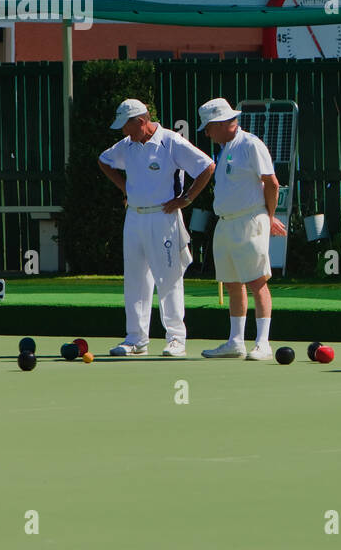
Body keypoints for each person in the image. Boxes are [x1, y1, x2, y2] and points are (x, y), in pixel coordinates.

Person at [98, 98, 214, 357]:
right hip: (135, 218)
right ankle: (135, 338)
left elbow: (207, 166)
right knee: (135, 278)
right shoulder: (127, 145)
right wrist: (125, 188)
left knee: (169, 277)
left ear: (141, 121)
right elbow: (103, 160)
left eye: (126, 126)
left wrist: (186, 199)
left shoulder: (171, 141)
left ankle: (176, 338)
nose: (122, 132)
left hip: (164, 218)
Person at [198, 98, 289, 360]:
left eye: (209, 127)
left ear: (223, 123)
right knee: (232, 283)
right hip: (225, 223)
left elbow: (271, 183)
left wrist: (268, 217)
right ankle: (236, 342)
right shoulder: (226, 147)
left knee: (256, 281)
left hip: (250, 221)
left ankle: (263, 343)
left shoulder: (251, 144)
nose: (206, 133)